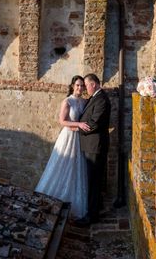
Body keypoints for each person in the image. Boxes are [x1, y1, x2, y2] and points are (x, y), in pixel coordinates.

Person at [35, 75, 91, 218]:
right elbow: (62, 121)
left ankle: (73, 202)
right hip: (68, 137)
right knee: (63, 165)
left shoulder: (84, 102)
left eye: (82, 86)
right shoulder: (68, 101)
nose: (80, 88)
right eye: (77, 85)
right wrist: (78, 124)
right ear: (73, 86)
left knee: (76, 168)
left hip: (79, 138)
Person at [75, 73, 111, 226]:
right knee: (94, 180)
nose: (85, 89)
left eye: (86, 85)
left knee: (94, 182)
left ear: (93, 84)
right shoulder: (95, 98)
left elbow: (94, 123)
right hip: (91, 145)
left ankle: (91, 216)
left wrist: (78, 129)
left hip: (95, 147)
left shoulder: (102, 99)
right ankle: (97, 207)